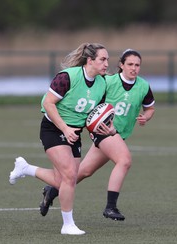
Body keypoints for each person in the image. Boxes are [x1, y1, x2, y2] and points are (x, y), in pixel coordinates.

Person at [37, 49, 155, 221]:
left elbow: (150, 107)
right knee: (124, 160)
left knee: (83, 171)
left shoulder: (143, 86)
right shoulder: (107, 81)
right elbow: (89, 94)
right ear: (121, 65)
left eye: (137, 65)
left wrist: (146, 117)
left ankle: (52, 190)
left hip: (117, 133)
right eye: (130, 64)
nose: (134, 68)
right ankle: (110, 207)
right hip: (102, 129)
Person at [8, 43, 111, 235]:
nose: (107, 64)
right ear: (90, 60)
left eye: (107, 60)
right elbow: (48, 103)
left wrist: (107, 128)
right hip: (53, 129)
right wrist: (65, 128)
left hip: (74, 133)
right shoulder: (67, 77)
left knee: (60, 180)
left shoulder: (102, 83)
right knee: (70, 176)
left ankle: (26, 168)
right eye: (102, 59)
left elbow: (95, 115)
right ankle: (67, 224)